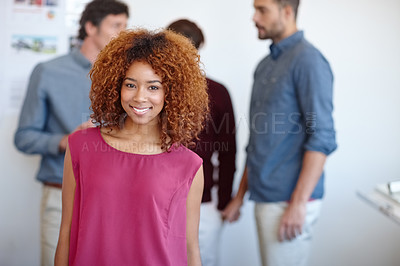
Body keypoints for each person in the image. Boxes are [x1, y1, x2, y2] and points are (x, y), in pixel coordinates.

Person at [54, 28, 209, 266]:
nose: (139, 97)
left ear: (172, 93)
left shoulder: (189, 165)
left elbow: (190, 246)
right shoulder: (81, 146)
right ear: (116, 86)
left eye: (153, 87)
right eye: (130, 84)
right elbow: (65, 231)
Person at [222, 0, 337, 265]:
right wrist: (239, 196)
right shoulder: (265, 66)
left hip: (289, 201)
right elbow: (259, 141)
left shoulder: (308, 61)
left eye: (262, 10)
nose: (254, 17)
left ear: (287, 11)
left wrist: (299, 203)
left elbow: (322, 137)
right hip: (264, 195)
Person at [14, 1, 129, 265]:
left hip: (116, 199)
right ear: (90, 27)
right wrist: (68, 141)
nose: (123, 34)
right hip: (61, 195)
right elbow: (23, 137)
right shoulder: (48, 72)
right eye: (116, 26)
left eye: (125, 26)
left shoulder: (127, 77)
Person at [167, 19, 236, 266]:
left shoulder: (216, 92)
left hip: (204, 201)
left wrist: (225, 201)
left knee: (202, 259)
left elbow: (227, 150)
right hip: (161, 198)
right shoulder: (154, 89)